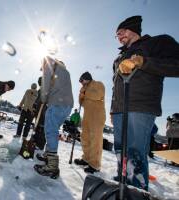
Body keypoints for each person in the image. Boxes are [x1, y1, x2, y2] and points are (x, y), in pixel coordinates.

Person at [111, 15, 179, 190]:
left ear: (132, 28)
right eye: (117, 35)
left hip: (141, 107)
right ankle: (123, 184)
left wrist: (144, 62)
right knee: (120, 149)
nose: (119, 37)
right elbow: (116, 85)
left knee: (135, 151)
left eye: (121, 32)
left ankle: (137, 190)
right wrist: (113, 111)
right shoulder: (120, 56)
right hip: (119, 110)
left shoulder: (157, 43)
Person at [34, 56, 73, 178]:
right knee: (52, 130)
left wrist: (43, 98)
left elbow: (45, 87)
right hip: (67, 106)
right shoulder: (65, 71)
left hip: (56, 103)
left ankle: (52, 166)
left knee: (50, 131)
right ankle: (47, 156)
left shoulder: (49, 66)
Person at [74, 72, 106, 174]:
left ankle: (95, 164)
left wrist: (85, 91)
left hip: (97, 116)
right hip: (87, 116)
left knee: (95, 139)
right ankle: (86, 159)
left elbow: (98, 95)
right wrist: (81, 96)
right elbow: (81, 103)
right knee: (85, 138)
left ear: (86, 78)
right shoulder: (85, 89)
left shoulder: (98, 84)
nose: (81, 84)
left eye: (82, 81)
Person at [31, 77, 47, 150]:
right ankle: (35, 141)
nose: (40, 84)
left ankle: (40, 145)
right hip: (38, 112)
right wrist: (34, 108)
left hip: (44, 113)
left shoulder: (46, 90)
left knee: (42, 128)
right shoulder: (40, 90)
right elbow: (36, 101)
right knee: (37, 127)